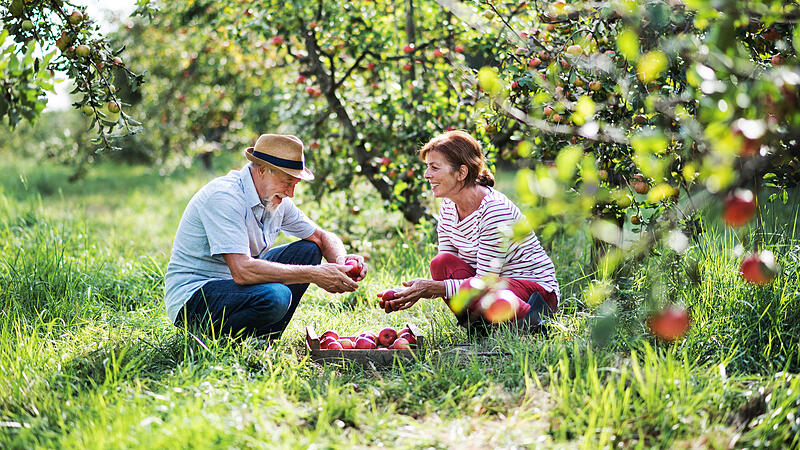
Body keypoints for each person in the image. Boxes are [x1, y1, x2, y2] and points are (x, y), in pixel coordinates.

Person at [164, 134, 367, 341]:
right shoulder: (224, 197)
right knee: (276, 296)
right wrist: (315, 274)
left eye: (295, 184)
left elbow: (322, 237)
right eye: (288, 181)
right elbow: (242, 271)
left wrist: (342, 263)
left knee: (309, 250)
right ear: (262, 170)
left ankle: (264, 338)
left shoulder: (276, 199)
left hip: (236, 288)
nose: (291, 192)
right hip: (194, 299)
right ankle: (222, 341)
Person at [384, 130, 559, 332]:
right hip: (491, 286)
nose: (427, 175)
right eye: (427, 167)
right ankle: (480, 327)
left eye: (434, 167)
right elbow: (448, 269)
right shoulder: (449, 207)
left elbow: (484, 282)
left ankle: (534, 323)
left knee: (489, 292)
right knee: (441, 264)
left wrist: (430, 289)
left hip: (534, 293)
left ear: (462, 173)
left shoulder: (494, 211)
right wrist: (409, 292)